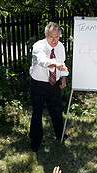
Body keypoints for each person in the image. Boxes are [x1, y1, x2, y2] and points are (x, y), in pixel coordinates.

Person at [29, 21, 70, 152]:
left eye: (57, 37)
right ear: (46, 35)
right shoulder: (38, 46)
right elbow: (42, 61)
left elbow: (62, 63)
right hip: (38, 84)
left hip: (54, 84)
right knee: (37, 113)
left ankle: (60, 134)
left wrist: (63, 76)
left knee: (57, 111)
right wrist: (56, 64)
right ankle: (35, 140)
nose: (54, 40)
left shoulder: (61, 46)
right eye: (51, 37)